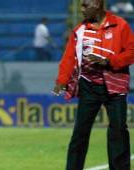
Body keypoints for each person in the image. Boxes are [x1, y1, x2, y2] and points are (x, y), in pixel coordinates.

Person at [53, 0, 134, 169]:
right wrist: (61, 81)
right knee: (80, 132)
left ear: (97, 4)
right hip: (89, 86)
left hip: (115, 85)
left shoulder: (120, 25)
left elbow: (131, 52)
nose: (81, 9)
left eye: (85, 5)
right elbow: (69, 58)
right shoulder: (80, 31)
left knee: (118, 130)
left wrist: (109, 61)